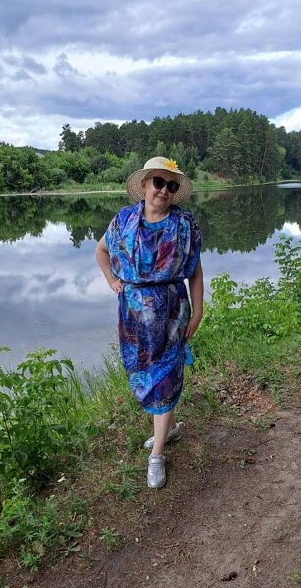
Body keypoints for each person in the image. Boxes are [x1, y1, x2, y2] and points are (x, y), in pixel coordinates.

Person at [95, 156, 204, 489]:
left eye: (171, 185)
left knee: (166, 377)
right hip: (133, 317)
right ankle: (168, 429)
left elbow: (195, 271)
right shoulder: (123, 220)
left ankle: (157, 455)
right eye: (158, 182)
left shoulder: (185, 224)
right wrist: (112, 281)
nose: (164, 190)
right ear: (144, 185)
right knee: (145, 374)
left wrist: (198, 311)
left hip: (172, 313)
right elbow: (101, 251)